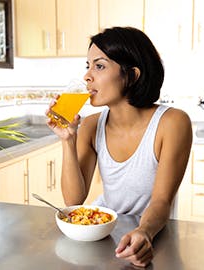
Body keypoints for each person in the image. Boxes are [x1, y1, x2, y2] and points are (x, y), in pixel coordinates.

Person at [46, 27, 192, 267]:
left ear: (132, 75)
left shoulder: (172, 123)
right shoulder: (91, 126)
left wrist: (144, 231)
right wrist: (68, 140)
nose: (87, 77)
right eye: (88, 66)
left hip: (152, 233)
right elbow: (74, 199)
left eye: (99, 66)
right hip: (103, 233)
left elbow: (161, 201)